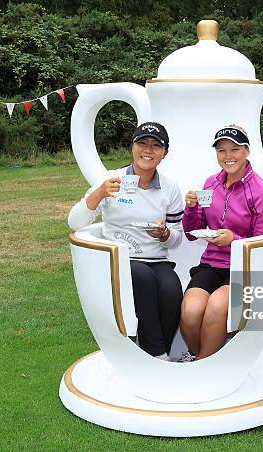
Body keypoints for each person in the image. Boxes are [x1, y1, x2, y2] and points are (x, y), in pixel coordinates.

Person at [68, 122, 185, 361]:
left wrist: (164, 234)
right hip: (119, 258)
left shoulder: (170, 189)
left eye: (156, 145)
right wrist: (98, 193)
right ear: (132, 147)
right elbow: (74, 222)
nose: (148, 150)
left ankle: (160, 349)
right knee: (142, 279)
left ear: (165, 153)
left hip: (156, 259)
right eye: (142, 143)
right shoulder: (111, 180)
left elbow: (176, 239)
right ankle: (157, 354)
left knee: (171, 289)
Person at [179, 125, 263, 361]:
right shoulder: (210, 183)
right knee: (190, 311)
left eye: (234, 149)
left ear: (247, 151)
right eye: (222, 150)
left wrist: (234, 240)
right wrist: (191, 208)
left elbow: (262, 245)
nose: (228, 156)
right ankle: (201, 357)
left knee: (215, 307)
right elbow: (192, 232)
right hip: (211, 264)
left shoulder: (261, 192)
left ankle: (202, 366)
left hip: (243, 268)